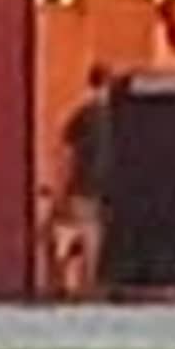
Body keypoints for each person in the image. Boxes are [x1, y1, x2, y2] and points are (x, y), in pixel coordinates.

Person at [53, 68, 114, 297]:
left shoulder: (83, 115)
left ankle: (72, 281)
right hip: (96, 185)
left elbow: (66, 149)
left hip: (81, 183)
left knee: (80, 230)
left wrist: (62, 181)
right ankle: (88, 282)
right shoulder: (109, 117)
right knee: (91, 234)